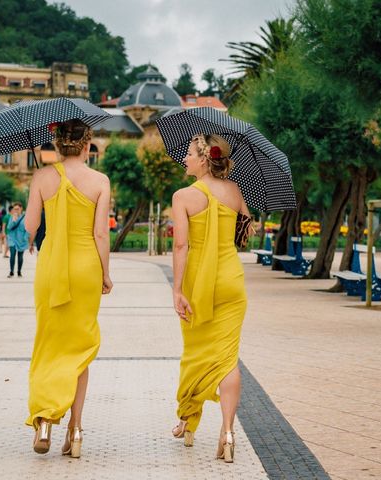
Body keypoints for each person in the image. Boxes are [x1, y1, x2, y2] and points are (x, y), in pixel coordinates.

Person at [23, 119, 113, 458]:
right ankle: (75, 432)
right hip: (86, 267)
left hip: (52, 267)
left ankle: (45, 421)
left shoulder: (42, 177)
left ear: (57, 146)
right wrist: (105, 273)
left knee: (49, 344)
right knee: (79, 349)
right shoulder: (100, 181)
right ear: (88, 145)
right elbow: (101, 234)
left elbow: (30, 227)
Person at [170, 134, 249, 463]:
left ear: (204, 160)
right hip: (231, 281)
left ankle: (187, 417)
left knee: (196, 353)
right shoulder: (235, 191)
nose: (184, 159)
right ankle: (228, 433)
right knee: (226, 360)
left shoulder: (183, 196)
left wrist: (177, 289)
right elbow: (244, 229)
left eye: (189, 153)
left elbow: (181, 246)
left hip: (199, 285)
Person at [6, 203, 29, 278]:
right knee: (12, 255)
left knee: (20, 256)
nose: (16, 210)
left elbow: (27, 229)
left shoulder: (25, 217)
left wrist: (25, 238)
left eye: (17, 209)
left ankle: (19, 271)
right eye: (14, 209)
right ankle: (11, 271)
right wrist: (13, 221)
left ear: (21, 209)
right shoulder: (12, 217)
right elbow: (9, 228)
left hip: (21, 239)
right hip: (12, 239)